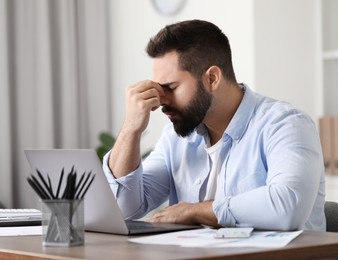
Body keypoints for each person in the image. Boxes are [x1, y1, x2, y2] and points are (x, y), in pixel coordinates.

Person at [103, 19, 326, 231]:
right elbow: (123, 209)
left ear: (212, 79)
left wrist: (195, 211)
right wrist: (131, 129)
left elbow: (288, 207)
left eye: (170, 88)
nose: (162, 100)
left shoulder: (286, 124)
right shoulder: (175, 137)